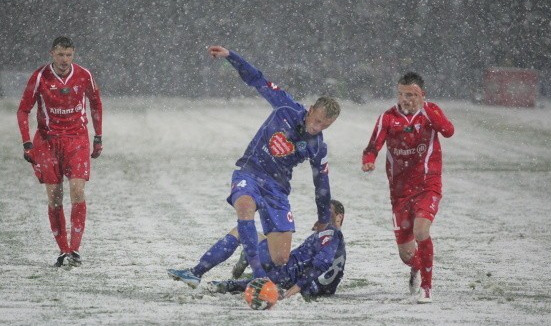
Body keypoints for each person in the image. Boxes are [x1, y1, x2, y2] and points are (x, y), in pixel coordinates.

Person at [170, 45, 340, 281]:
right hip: (250, 173)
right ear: (310, 110)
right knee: (245, 208)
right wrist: (231, 57)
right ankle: (236, 275)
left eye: (325, 126)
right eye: (317, 121)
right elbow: (257, 79)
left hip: (277, 188)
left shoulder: (317, 146)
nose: (317, 128)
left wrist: (323, 219)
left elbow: (322, 184)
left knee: (280, 258)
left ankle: (249, 245)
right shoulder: (286, 106)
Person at [361, 72, 454, 303]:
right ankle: (416, 267)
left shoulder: (430, 113)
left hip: (427, 184)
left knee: (422, 231)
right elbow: (372, 146)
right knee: (406, 255)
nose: (406, 99)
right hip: (400, 191)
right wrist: (369, 160)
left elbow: (449, 131)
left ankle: (427, 287)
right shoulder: (388, 118)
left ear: (422, 94)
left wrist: (430, 112)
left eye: (411, 95)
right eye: (402, 94)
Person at [17, 36, 103, 267]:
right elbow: (23, 110)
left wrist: (98, 136)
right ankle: (63, 249)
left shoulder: (84, 75)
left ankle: (75, 249)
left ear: (73, 55)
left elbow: (96, 104)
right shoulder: (39, 77)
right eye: (60, 55)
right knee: (55, 197)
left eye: (69, 55)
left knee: (77, 189)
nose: (65, 60)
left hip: (76, 138)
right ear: (52, 54)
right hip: (47, 141)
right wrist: (27, 142)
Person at [167, 200, 346, 300]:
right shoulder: (334, 237)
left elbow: (321, 264)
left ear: (339, 216)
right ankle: (228, 283)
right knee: (260, 239)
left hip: (288, 273)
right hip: (310, 284)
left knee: (241, 231)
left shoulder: (331, 233)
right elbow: (327, 271)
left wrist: (295, 289)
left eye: (327, 212)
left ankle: (197, 272)